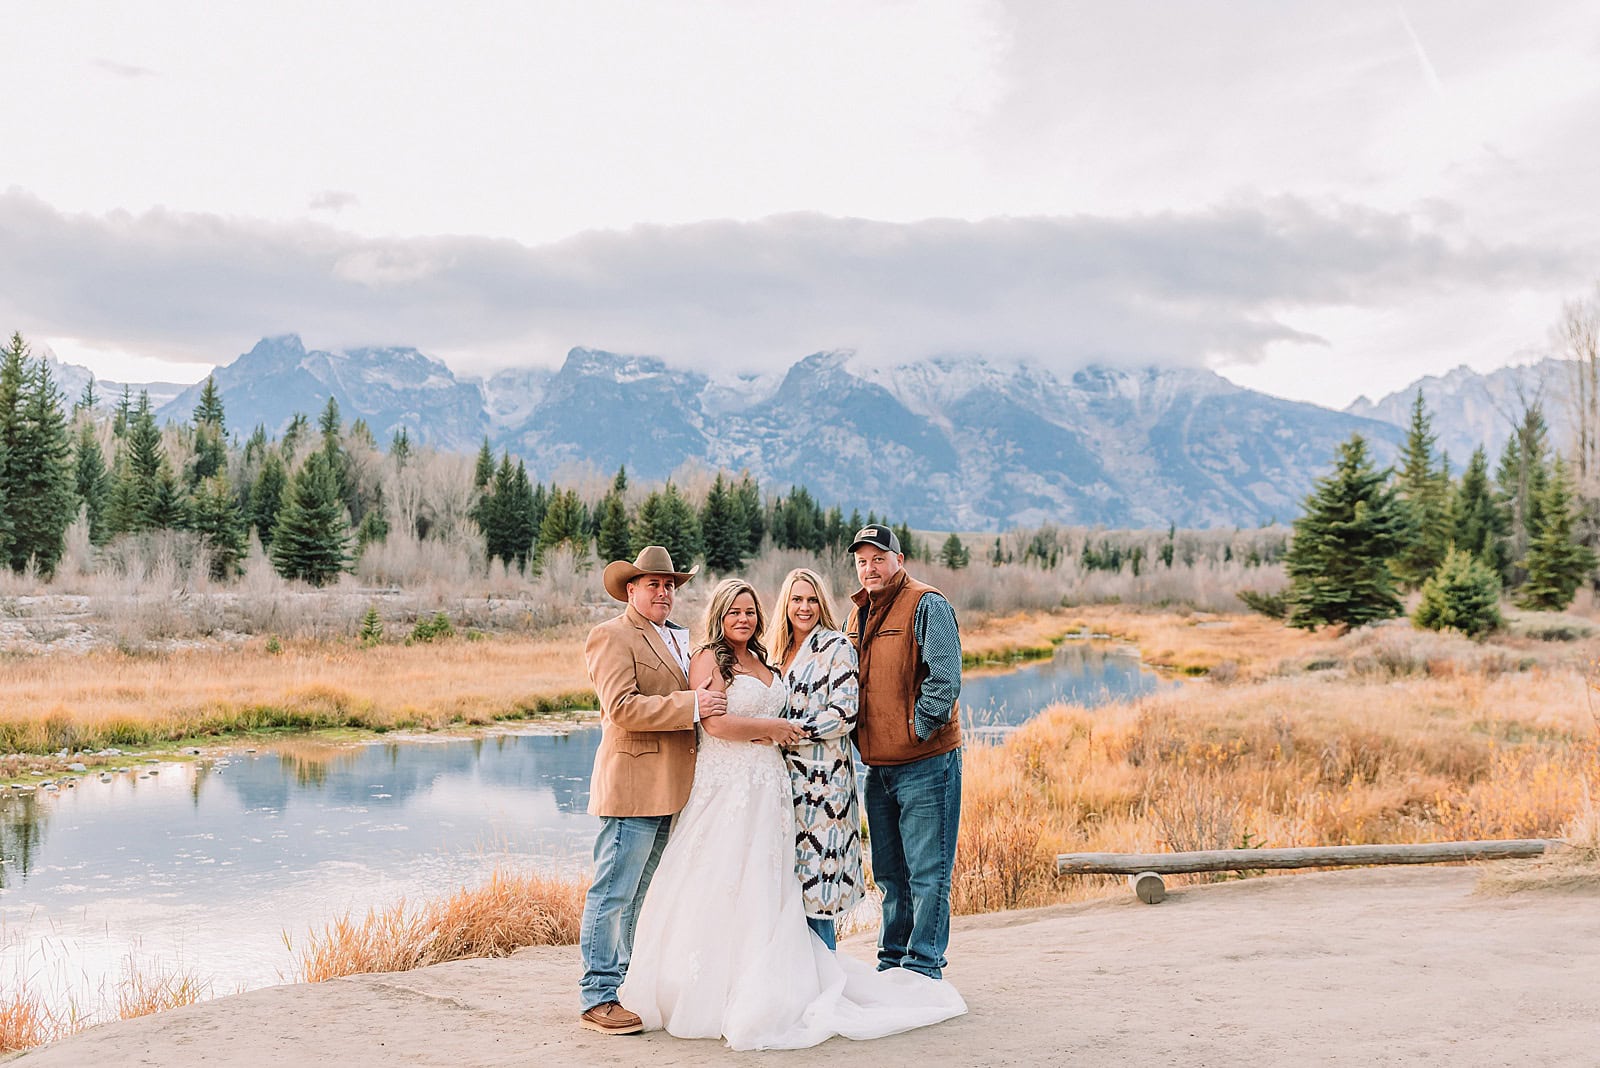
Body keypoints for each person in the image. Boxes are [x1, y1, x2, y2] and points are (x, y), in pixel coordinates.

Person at [620, 579, 966, 1051]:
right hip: (728, 787)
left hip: (777, 789)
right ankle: (707, 989)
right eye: (734, 611)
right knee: (718, 878)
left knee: (768, 885)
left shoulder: (769, 658)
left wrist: (785, 731)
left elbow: (842, 711)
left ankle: (905, 965)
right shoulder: (709, 658)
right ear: (719, 615)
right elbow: (715, 723)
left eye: (749, 611)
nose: (743, 619)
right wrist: (773, 728)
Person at [577, 545, 725, 1036]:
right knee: (612, 893)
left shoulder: (679, 638)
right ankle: (597, 997)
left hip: (671, 789)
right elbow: (622, 707)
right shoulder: (611, 635)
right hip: (632, 787)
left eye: (669, 585)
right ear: (631, 590)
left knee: (641, 895)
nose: (664, 592)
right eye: (653, 584)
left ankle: (624, 987)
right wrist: (693, 704)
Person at [846, 523, 963, 980]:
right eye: (862, 561)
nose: (870, 568)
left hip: (926, 764)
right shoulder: (857, 614)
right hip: (878, 769)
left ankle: (923, 967)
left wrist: (917, 730)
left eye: (878, 559)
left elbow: (945, 677)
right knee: (890, 875)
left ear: (899, 560)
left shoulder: (926, 603)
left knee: (928, 873)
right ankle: (892, 961)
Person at [769, 566, 863, 951]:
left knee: (817, 889)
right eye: (796, 599)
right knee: (784, 885)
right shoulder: (773, 652)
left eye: (811, 600)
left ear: (821, 603)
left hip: (823, 789)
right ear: (785, 604)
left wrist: (788, 730)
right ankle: (796, 975)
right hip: (780, 784)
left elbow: (844, 714)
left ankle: (826, 975)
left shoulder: (837, 647)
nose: (804, 607)